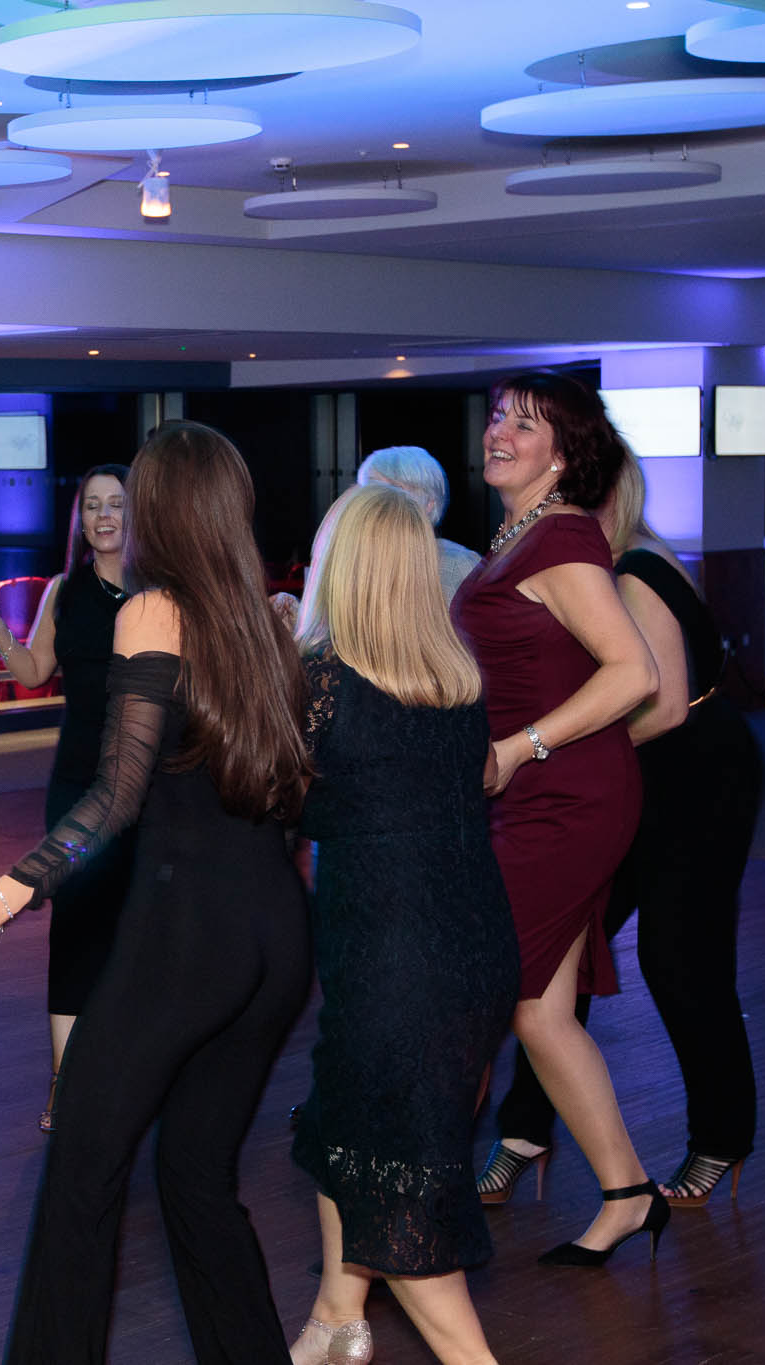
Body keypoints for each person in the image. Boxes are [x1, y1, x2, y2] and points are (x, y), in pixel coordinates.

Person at [0, 421, 313, 1365]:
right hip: (275, 938)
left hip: (188, 938)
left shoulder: (154, 610)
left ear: (158, 509)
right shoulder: (265, 623)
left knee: (82, 1175)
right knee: (197, 1180)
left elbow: (115, 797)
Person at [488, 453, 764, 1210]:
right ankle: (525, 1129)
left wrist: (547, 750)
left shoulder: (636, 569)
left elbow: (664, 707)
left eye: (571, 498)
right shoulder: (607, 566)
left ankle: (722, 1137)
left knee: (680, 960)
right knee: (556, 958)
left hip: (695, 780)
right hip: (638, 783)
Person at [288, 485, 517, 1365]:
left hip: (394, 961)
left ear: (340, 568)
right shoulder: (457, 685)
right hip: (473, 947)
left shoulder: (322, 683)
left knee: (399, 1181)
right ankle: (335, 1321)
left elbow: (280, 802)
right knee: (343, 1125)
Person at [449, 371, 663, 1265]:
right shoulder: (518, 535)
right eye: (500, 415)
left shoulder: (563, 536)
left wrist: (519, 746)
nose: (501, 432)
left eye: (528, 425)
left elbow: (636, 673)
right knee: (540, 1014)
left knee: (466, 991)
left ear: (565, 455)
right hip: (535, 791)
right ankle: (629, 1193)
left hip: (565, 797)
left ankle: (416, 1210)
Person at [0, 462, 136, 1132]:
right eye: (93, 505)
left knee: (136, 929)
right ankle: (64, 1083)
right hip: (75, 784)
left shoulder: (160, 592)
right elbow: (33, 672)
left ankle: (130, 1078)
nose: (104, 516)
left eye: (116, 504)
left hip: (145, 784)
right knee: (75, 928)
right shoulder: (64, 590)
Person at [356, 446, 478, 602]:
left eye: (396, 489)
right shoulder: (348, 561)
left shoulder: (459, 566)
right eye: (372, 489)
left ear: (429, 503)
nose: (380, 501)